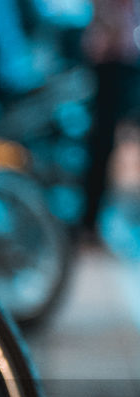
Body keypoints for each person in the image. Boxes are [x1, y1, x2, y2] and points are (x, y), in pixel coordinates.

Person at [80, 0, 140, 242]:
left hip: (123, 59)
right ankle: (89, 223)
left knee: (105, 145)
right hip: (111, 60)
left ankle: (93, 221)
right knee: (101, 145)